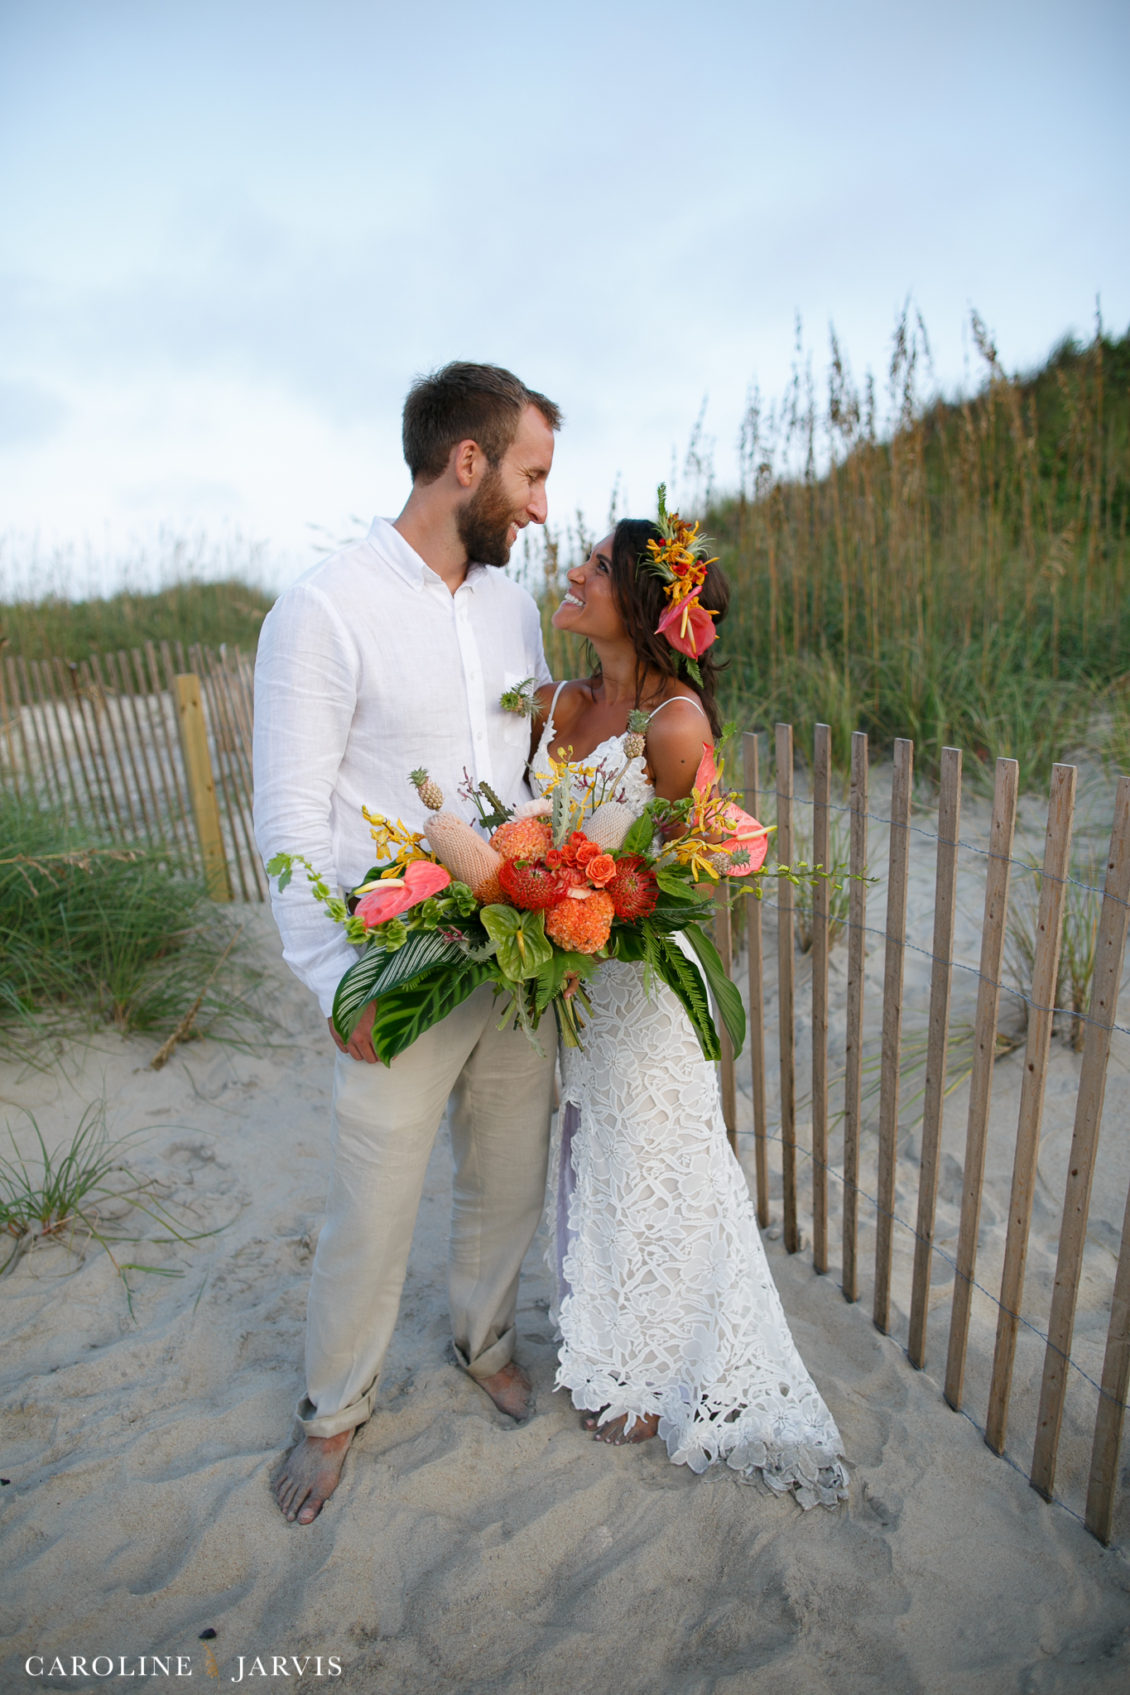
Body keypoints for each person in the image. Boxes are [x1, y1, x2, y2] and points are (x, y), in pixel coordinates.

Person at [253, 362, 561, 1524]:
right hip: (394, 968)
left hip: (516, 957)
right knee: (371, 1209)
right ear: (465, 463)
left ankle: (482, 1341)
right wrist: (341, 983)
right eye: (529, 476)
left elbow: (525, 775)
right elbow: (285, 825)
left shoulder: (511, 606)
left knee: (506, 1180)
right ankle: (333, 1411)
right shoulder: (322, 609)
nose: (539, 507)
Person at [530, 516, 848, 1503]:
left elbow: (683, 876)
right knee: (589, 1153)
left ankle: (654, 1376)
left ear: (638, 600)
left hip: (639, 978)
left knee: (655, 1160)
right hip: (568, 972)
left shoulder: (673, 724)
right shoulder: (559, 704)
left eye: (593, 567)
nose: (573, 574)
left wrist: (600, 912)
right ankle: (610, 1346)